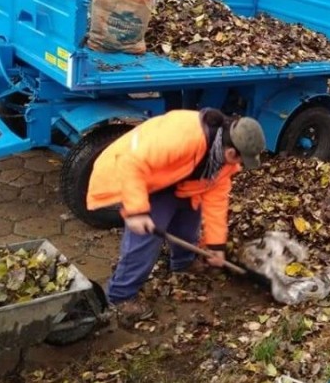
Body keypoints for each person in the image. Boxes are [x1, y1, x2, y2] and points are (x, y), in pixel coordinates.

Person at [85, 108, 266, 326]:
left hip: (182, 182)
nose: (240, 165)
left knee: (189, 221)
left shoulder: (222, 161)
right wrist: (136, 210)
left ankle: (183, 262)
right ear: (231, 153)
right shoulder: (184, 137)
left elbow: (216, 203)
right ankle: (120, 295)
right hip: (144, 178)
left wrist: (215, 245)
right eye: (242, 160)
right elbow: (130, 162)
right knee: (145, 241)